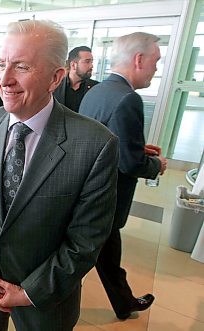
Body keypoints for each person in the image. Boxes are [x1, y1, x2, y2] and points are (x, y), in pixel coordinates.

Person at [0, 20, 120, 330]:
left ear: (55, 77)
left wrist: (30, 291)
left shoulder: (95, 144)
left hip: (46, 298)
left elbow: (86, 239)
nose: (3, 79)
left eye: (21, 67)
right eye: (1, 64)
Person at [79, 32, 168, 321]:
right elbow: (129, 164)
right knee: (87, 256)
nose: (157, 68)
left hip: (87, 191)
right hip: (106, 196)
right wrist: (157, 165)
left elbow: (103, 140)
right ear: (139, 59)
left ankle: (124, 301)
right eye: (156, 61)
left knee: (105, 253)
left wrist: (136, 147)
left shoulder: (97, 91)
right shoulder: (128, 99)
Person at [53, 46, 99, 112]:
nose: (91, 66)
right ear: (73, 65)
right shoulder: (55, 86)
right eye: (87, 61)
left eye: (92, 62)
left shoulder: (96, 88)